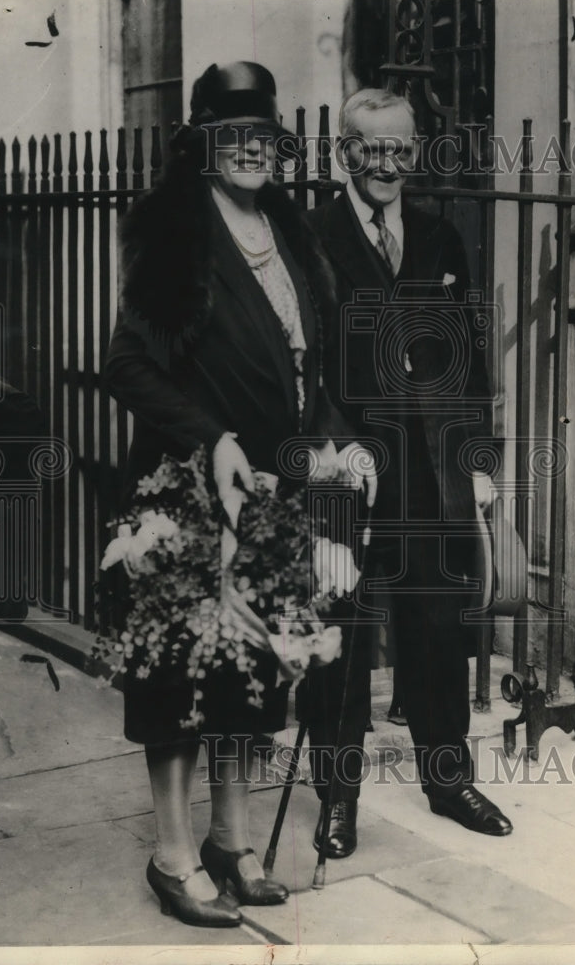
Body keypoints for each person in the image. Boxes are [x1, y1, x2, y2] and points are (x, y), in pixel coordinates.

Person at [104, 61, 366, 928]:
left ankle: (231, 841)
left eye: (264, 136)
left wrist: (334, 439)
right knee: (178, 677)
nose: (252, 149)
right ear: (203, 144)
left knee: (250, 676)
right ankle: (172, 856)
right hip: (185, 493)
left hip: (270, 495)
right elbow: (128, 364)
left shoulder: (290, 232)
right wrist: (210, 437)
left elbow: (306, 371)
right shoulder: (174, 231)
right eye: (232, 135)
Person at [301, 88, 513, 859]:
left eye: (399, 148)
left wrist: (476, 463)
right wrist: (334, 449)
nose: (386, 164)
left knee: (435, 625)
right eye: (371, 148)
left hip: (429, 467)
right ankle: (337, 796)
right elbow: (302, 363)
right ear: (344, 152)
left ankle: (447, 780)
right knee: (342, 632)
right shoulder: (309, 239)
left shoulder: (438, 237)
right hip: (346, 470)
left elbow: (466, 361)